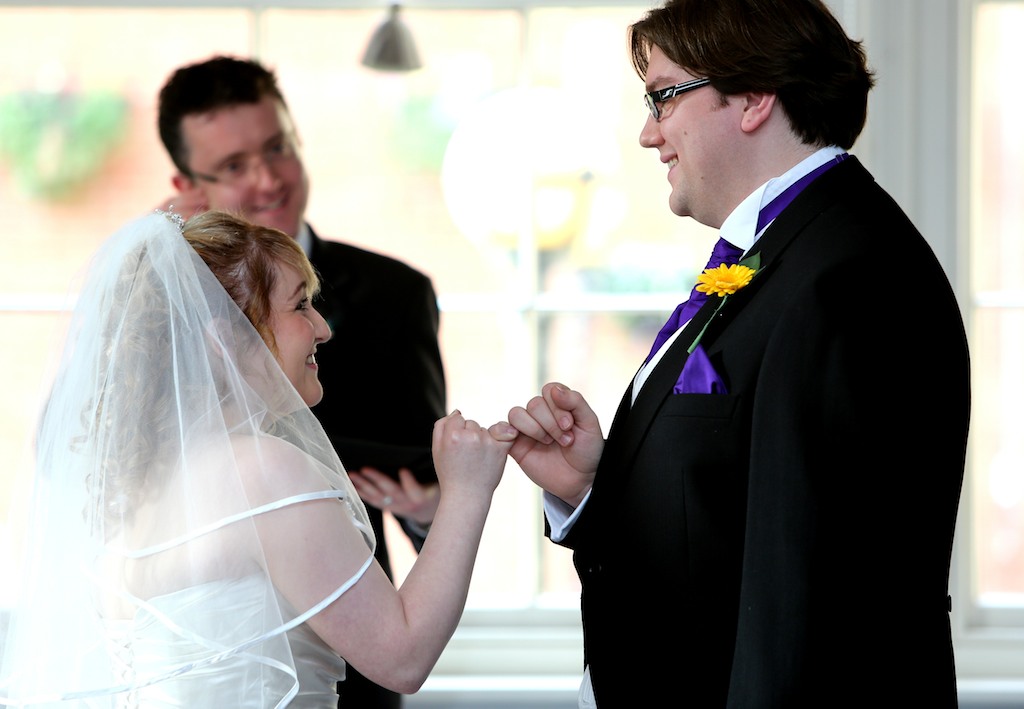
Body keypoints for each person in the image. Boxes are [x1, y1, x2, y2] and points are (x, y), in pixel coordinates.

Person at [504, 1, 971, 707]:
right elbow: (726, 523)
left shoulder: (849, 276)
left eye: (663, 97)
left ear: (752, 97)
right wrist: (594, 489)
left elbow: (807, 602)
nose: (647, 132)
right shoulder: (775, 253)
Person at [0, 209, 513, 707]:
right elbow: (402, 659)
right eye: (299, 307)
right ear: (225, 338)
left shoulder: (138, 486)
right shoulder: (264, 473)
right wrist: (466, 491)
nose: (322, 329)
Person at [154, 55, 446, 708]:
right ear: (186, 183)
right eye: (232, 166)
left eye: (277, 148)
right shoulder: (160, 316)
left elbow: (418, 460)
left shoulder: (396, 294)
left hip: (354, 660)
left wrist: (432, 512)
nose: (266, 179)